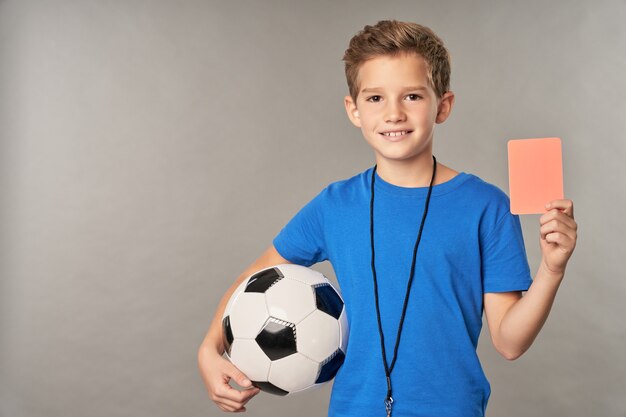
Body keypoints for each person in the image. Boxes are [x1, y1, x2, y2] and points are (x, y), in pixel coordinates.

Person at [197, 20, 578, 417]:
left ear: (443, 106)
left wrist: (552, 270)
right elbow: (251, 281)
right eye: (375, 98)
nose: (393, 113)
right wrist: (210, 348)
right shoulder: (335, 205)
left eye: (412, 96)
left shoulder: (487, 206)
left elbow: (509, 342)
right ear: (354, 110)